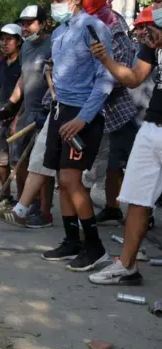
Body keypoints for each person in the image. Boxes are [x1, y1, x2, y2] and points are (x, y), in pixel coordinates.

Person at [86, 0, 162, 285]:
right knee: (137, 202)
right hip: (151, 128)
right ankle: (127, 267)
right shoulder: (153, 43)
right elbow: (133, 78)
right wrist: (106, 59)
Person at [39, 0, 115, 271]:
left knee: (73, 178)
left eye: (60, 0)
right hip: (60, 109)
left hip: (84, 113)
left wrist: (84, 118)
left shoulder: (94, 28)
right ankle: (72, 241)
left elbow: (106, 78)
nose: (54, 4)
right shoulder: (59, 32)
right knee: (62, 178)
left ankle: (95, 247)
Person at [0, 5, 56, 228]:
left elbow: (55, 77)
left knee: (43, 164)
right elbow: (23, 79)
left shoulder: (53, 43)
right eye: (23, 23)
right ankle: (25, 204)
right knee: (22, 161)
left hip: (48, 111)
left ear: (43, 23)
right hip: (29, 112)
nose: (25, 27)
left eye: (30, 22)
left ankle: (44, 212)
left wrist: (50, 107)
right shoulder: (26, 47)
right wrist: (11, 104)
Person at [80, 0, 139, 227]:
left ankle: (145, 213)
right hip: (95, 110)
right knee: (110, 166)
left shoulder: (118, 35)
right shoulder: (85, 29)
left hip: (118, 112)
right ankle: (112, 208)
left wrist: (93, 79)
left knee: (129, 165)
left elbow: (120, 77)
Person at [0, 24, 23, 206]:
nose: (4, 43)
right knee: (0, 160)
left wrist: (18, 119)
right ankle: (6, 195)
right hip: (1, 115)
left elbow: (28, 93)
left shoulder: (24, 61)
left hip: (21, 117)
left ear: (18, 41)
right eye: (2, 39)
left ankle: (24, 200)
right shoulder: (0, 63)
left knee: (19, 162)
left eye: (9, 39)